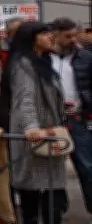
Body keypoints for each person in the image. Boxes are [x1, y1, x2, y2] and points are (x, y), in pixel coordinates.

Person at [5, 21, 67, 224]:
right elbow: (25, 99)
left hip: (50, 133)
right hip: (35, 137)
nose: (51, 37)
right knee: (32, 194)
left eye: (51, 33)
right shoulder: (24, 64)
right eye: (45, 33)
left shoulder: (44, 62)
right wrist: (31, 127)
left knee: (51, 193)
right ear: (32, 38)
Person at [50, 18, 92, 216]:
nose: (72, 40)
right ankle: (58, 208)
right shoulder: (43, 58)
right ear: (55, 35)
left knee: (87, 166)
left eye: (74, 35)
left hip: (77, 120)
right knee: (52, 168)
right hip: (50, 121)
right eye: (67, 36)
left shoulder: (85, 57)